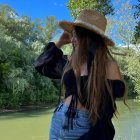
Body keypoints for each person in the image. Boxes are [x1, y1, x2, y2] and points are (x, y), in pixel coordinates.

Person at [34, 9, 126, 140]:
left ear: (88, 37)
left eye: (76, 34)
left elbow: (106, 112)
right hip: (58, 121)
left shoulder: (108, 66)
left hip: (83, 126)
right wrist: (59, 42)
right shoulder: (69, 62)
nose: (72, 39)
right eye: (72, 34)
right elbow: (40, 65)